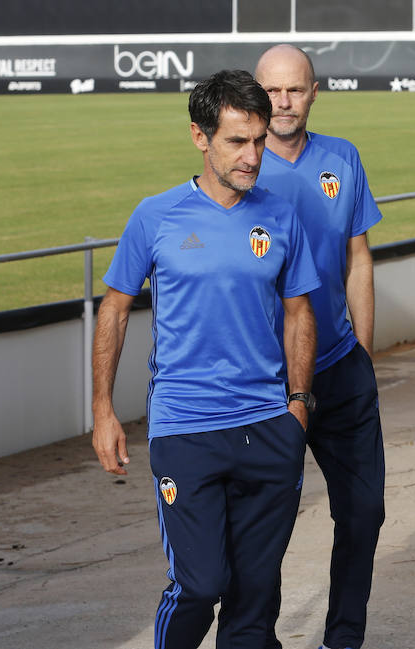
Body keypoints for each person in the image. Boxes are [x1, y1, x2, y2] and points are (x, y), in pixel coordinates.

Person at [91, 69, 320, 649]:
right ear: (200, 137)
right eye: (237, 142)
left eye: (259, 141)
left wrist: (297, 405)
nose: (251, 156)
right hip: (186, 429)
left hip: (268, 428)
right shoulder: (155, 216)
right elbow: (114, 311)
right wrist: (102, 411)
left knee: (254, 594)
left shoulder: (280, 215)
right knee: (200, 584)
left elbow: (299, 312)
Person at [253, 45, 385, 649]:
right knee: (267, 524)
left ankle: (343, 640)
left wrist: (362, 348)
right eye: (272, 90)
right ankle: (259, 636)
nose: (283, 102)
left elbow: (358, 255)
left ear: (314, 92)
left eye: (295, 89)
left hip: (339, 367)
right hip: (267, 384)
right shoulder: (243, 168)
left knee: (363, 514)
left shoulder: (344, 158)